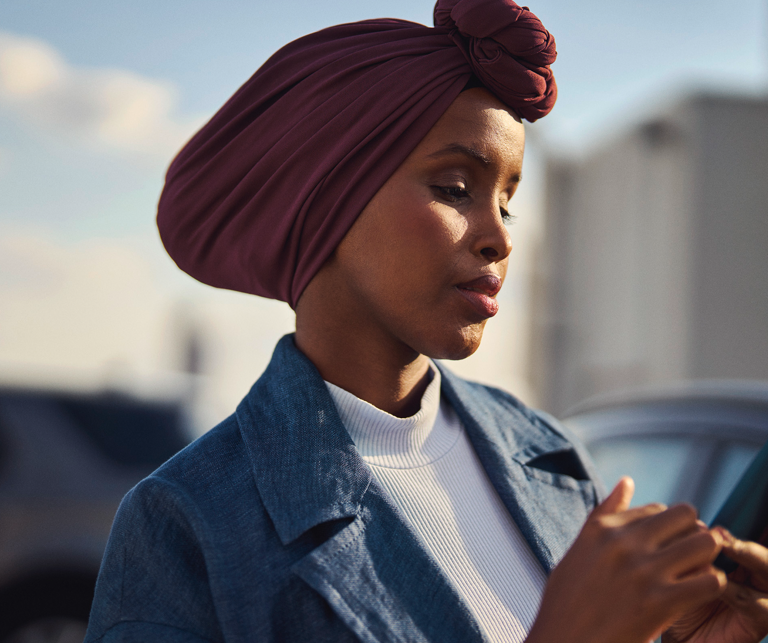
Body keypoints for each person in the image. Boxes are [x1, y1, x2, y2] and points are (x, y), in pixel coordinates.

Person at [85, 1, 768, 641]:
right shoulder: (187, 521)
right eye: (454, 188)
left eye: (507, 201)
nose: (499, 237)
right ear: (326, 199)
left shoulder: (550, 456)